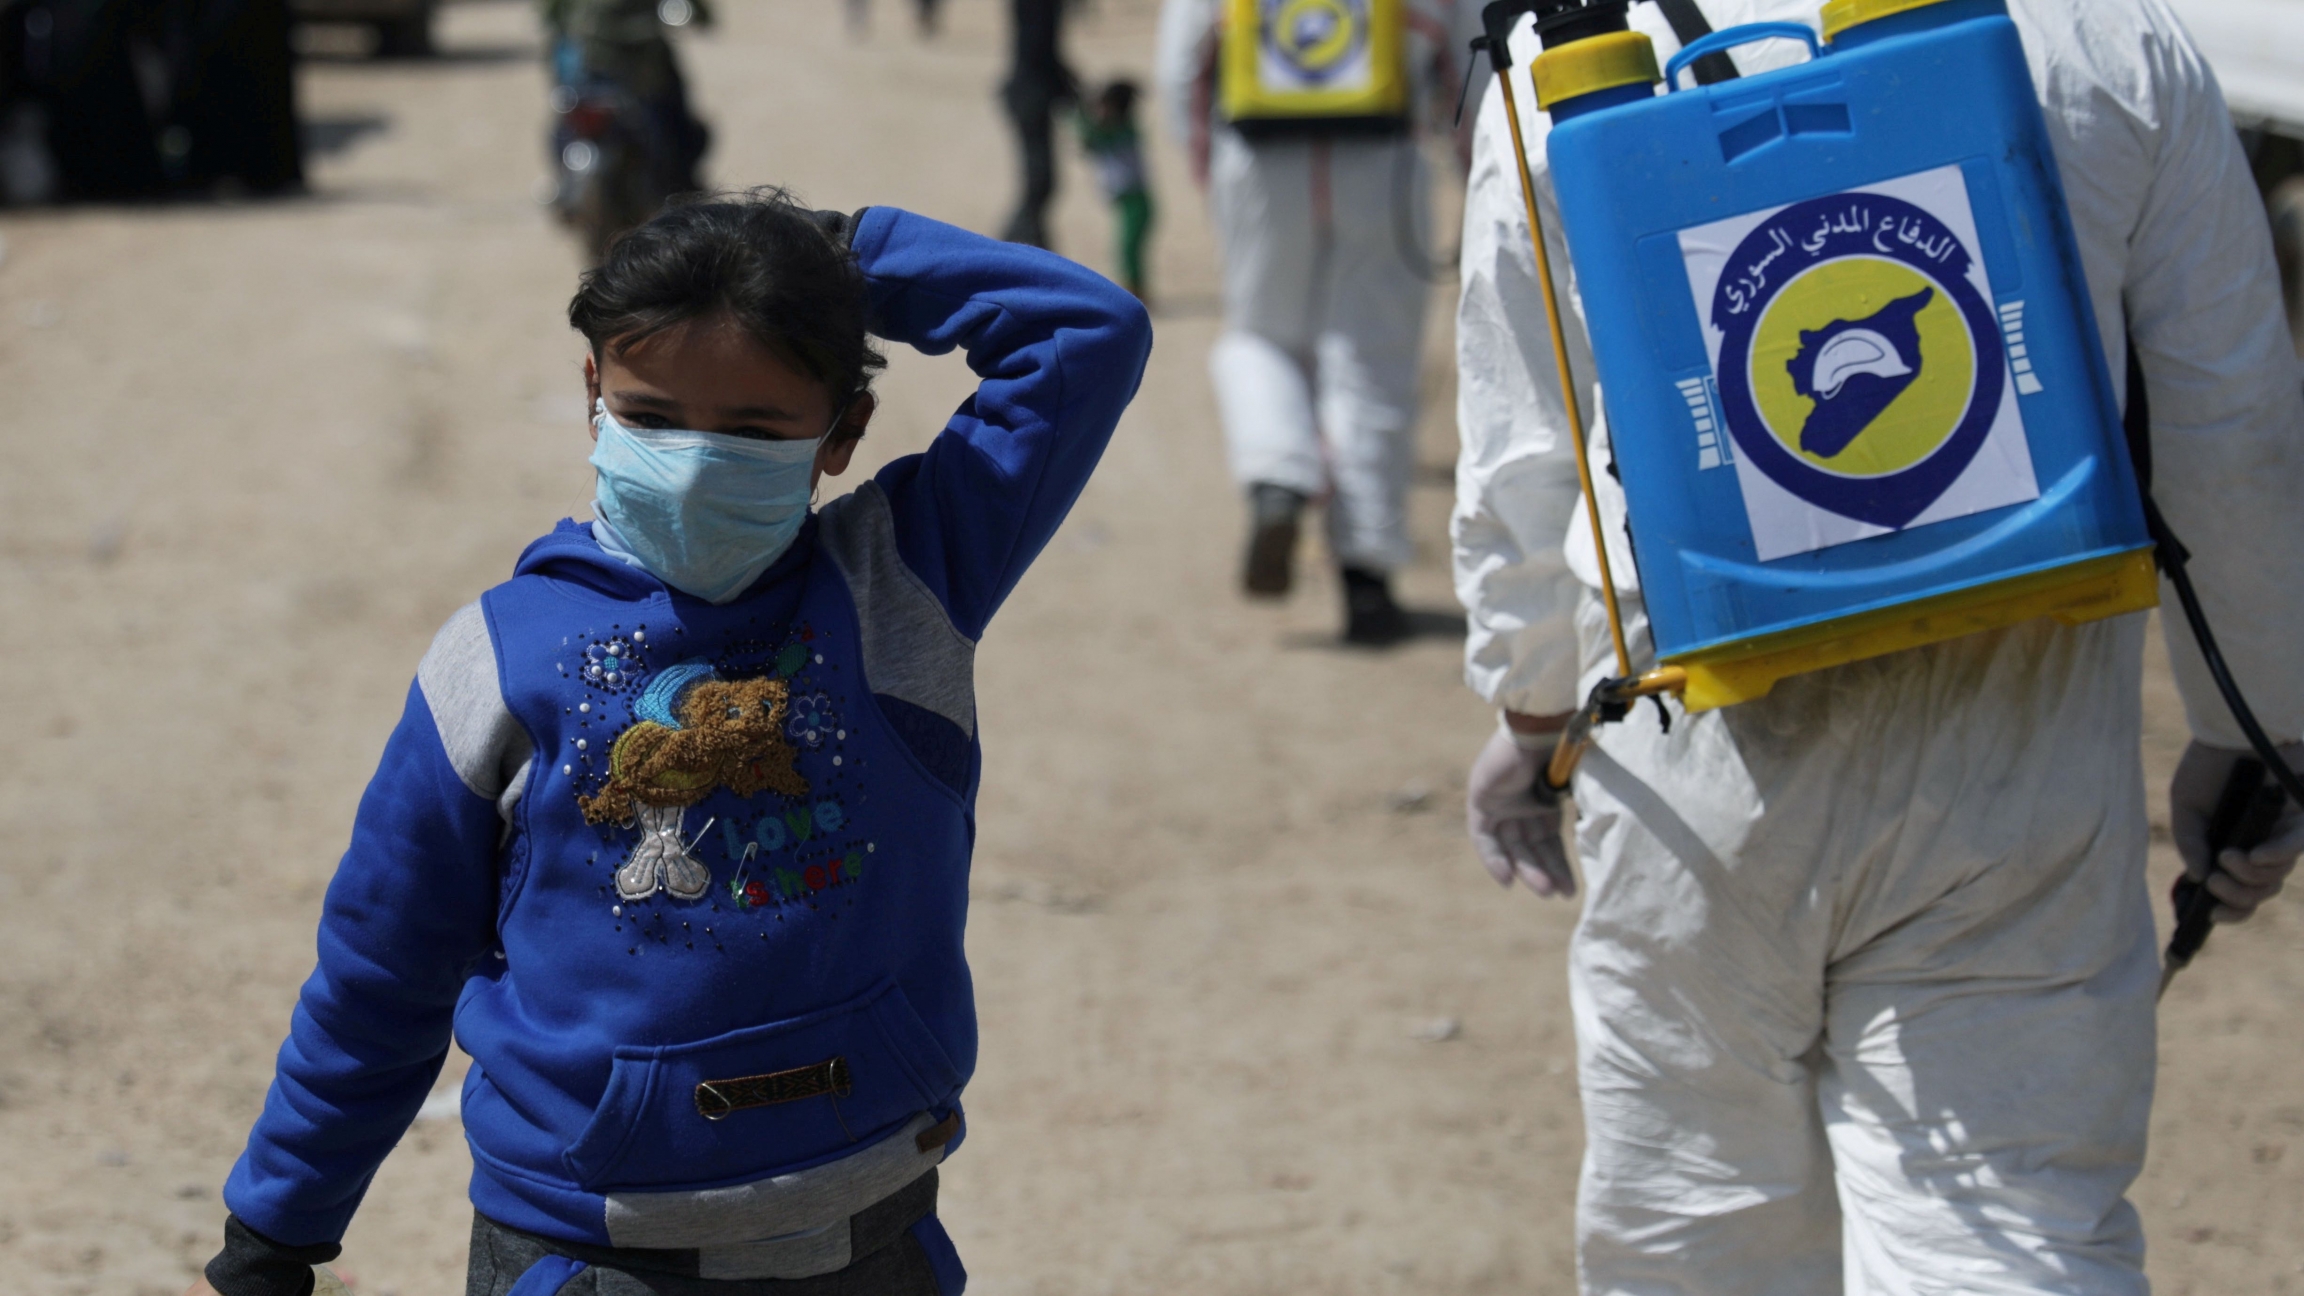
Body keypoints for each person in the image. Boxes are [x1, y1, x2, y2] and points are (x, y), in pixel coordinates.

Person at [1454, 2, 2304, 1291]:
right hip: (2019, 719)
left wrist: (1529, 710)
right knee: (2007, 1224)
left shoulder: (1569, 45)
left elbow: (1525, 441)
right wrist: (2255, 727)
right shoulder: (2108, 31)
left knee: (1700, 1214)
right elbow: (2232, 418)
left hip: (1700, 732)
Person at [183, 190, 1152, 1296]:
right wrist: (280, 1222)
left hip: (874, 1237)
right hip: (592, 1258)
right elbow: (383, 967)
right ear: (593, 393)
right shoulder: (495, 662)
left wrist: (834, 256)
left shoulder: (903, 584)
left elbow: (1087, 332)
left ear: (842, 435)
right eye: (653, 416)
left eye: (752, 433)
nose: (695, 464)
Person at [1154, 0, 1459, 644]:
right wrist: (1465, 162)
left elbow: (1183, 64)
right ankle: (1367, 577)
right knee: (1373, 358)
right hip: (1386, 162)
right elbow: (1466, 54)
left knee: (1260, 335)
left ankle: (1276, 474)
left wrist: (1208, 165)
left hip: (1259, 159)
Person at [542, 0, 712, 195]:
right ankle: (682, 186)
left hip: (593, 55)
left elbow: (550, 14)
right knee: (673, 119)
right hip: (630, 59)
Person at [999, 0, 1074, 248]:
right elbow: (1036, 49)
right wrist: (1067, 89)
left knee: (1043, 182)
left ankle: (1033, 249)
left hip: (1034, 91)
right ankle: (1013, 247)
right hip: (1031, 94)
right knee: (1040, 181)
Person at [1075, 78, 1154, 300]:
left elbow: (1089, 137)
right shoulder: (1119, 129)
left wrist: (1079, 109)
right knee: (1127, 248)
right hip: (1130, 200)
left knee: (1128, 249)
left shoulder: (1122, 131)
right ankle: (1135, 289)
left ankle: (1135, 291)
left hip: (1136, 200)